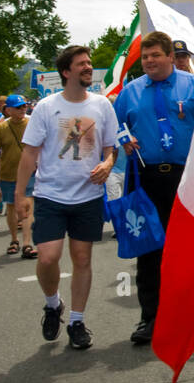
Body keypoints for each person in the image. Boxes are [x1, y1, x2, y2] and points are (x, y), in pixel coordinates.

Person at [14, 47, 118, 349]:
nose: (88, 67)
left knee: (82, 258)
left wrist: (108, 163)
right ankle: (52, 303)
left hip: (87, 197)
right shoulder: (46, 107)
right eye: (81, 64)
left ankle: (76, 321)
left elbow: (110, 147)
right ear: (66, 72)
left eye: (88, 63)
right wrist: (21, 195)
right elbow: (30, 153)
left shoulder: (101, 106)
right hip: (50, 196)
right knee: (47, 257)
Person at [115, 31, 194, 344]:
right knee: (149, 251)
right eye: (145, 56)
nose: (149, 61)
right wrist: (123, 140)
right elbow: (115, 127)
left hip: (187, 178)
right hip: (146, 178)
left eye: (155, 55)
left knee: (186, 250)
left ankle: (186, 317)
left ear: (170, 56)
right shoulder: (131, 92)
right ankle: (150, 318)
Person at [0, 94, 37, 258]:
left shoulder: (32, 124)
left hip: (29, 173)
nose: (22, 110)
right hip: (7, 173)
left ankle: (27, 243)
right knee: (11, 207)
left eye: (24, 106)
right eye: (18, 107)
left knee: (27, 206)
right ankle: (14, 240)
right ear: (8, 110)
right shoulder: (1, 129)